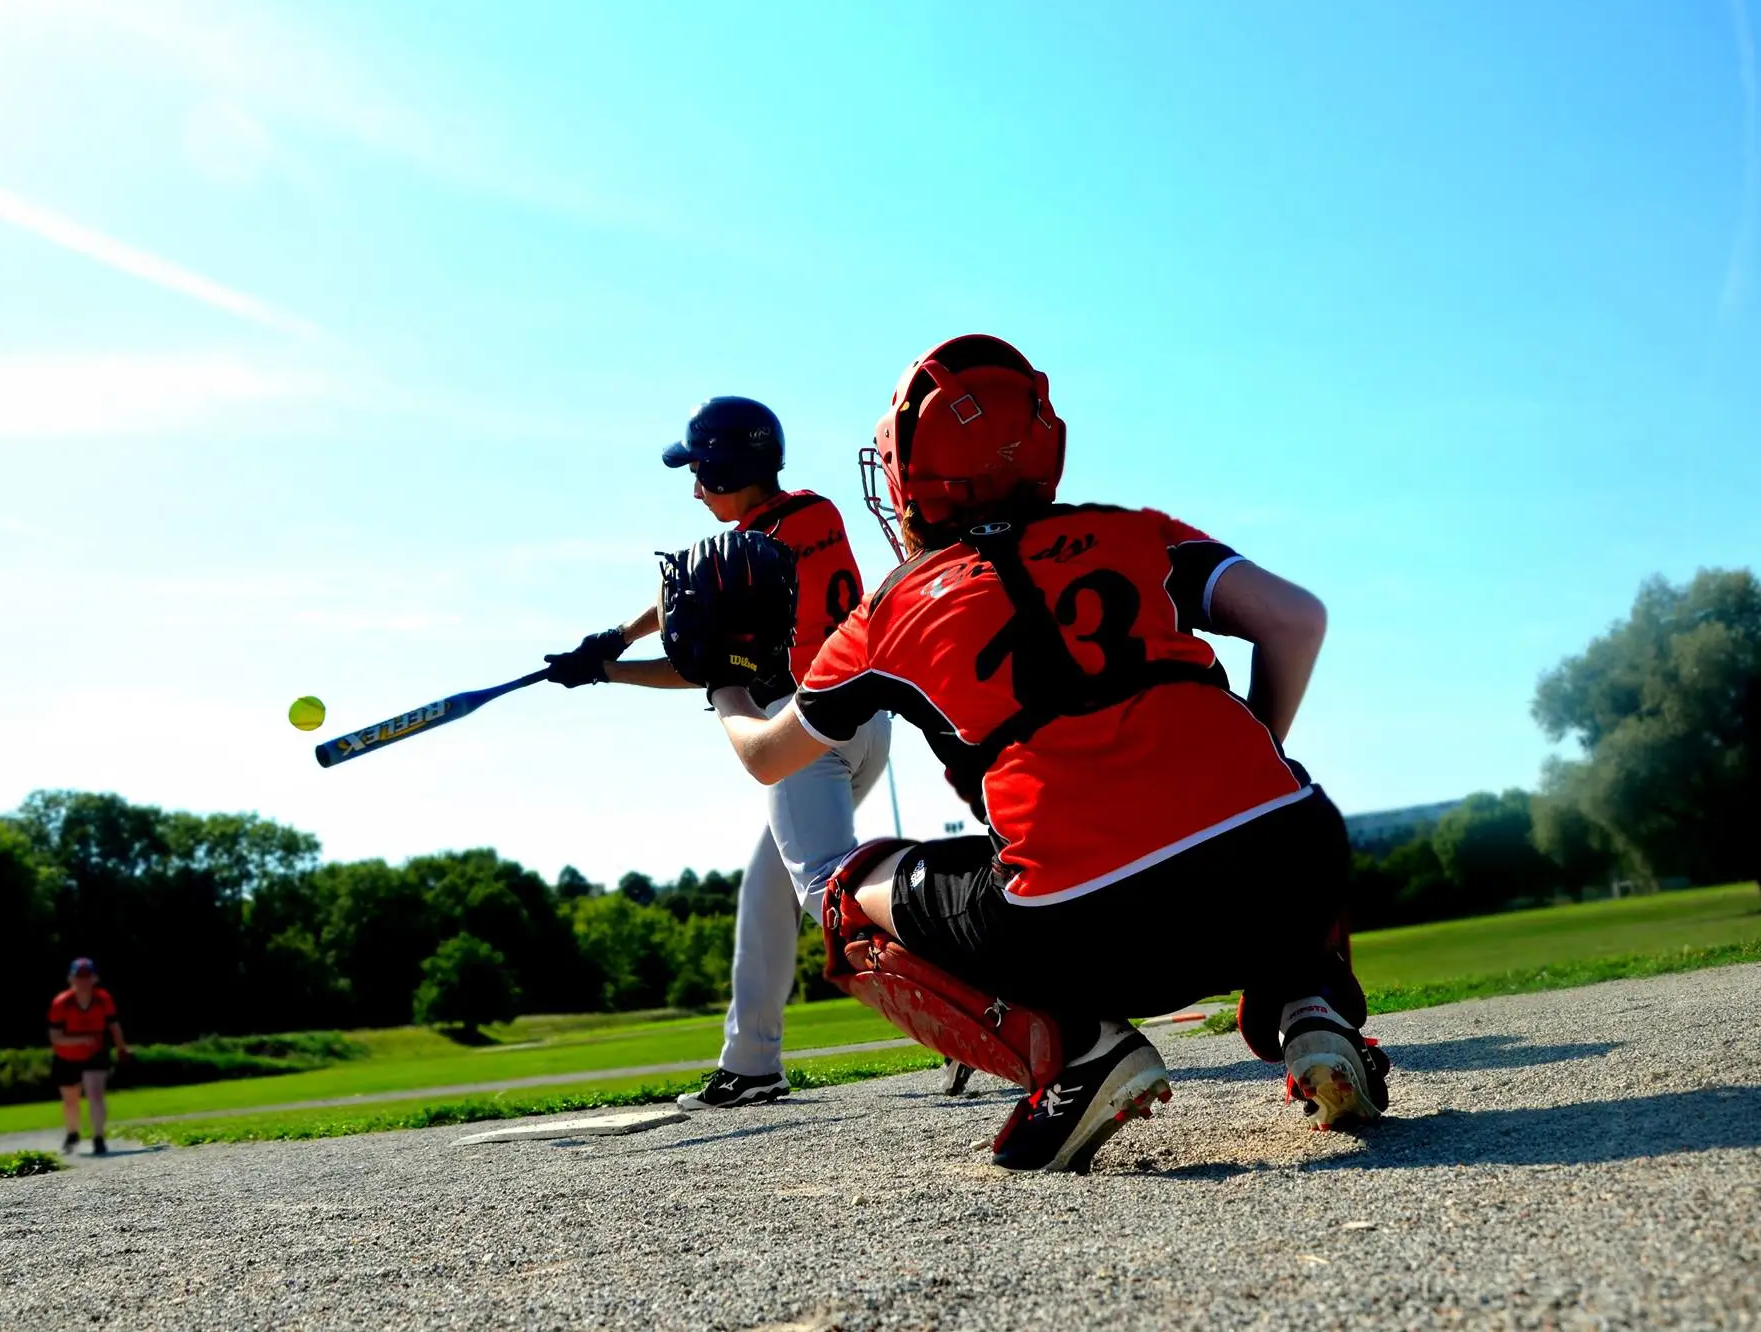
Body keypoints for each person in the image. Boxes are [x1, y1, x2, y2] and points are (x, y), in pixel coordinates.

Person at [691, 334, 1391, 1172]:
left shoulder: (896, 606)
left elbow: (771, 757)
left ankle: (1075, 1050)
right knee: (1281, 800)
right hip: (1285, 872)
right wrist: (1250, 755)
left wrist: (724, 686)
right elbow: (1295, 619)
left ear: (913, 475)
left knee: (842, 893)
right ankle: (1313, 1007)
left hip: (1086, 927)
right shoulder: (1135, 530)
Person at [544, 396, 892, 1109]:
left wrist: (606, 669)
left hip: (800, 736)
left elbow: (704, 663)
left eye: (702, 472)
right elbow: (694, 601)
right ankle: (752, 1060)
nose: (695, 488)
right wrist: (617, 636)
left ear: (732, 468)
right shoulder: (811, 513)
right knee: (768, 890)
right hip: (865, 719)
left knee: (831, 894)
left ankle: (994, 997)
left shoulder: (746, 555)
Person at [49, 957, 131, 1155]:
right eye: (79, 977)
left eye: (87, 977)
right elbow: (56, 1037)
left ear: (94, 979)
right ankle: (73, 1132)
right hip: (67, 1055)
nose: (83, 982)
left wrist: (121, 1047)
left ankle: (98, 1137)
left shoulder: (102, 999)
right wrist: (81, 1040)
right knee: (71, 1100)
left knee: (95, 1094)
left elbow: (113, 1024)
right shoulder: (62, 1003)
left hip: (95, 1052)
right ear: (71, 979)